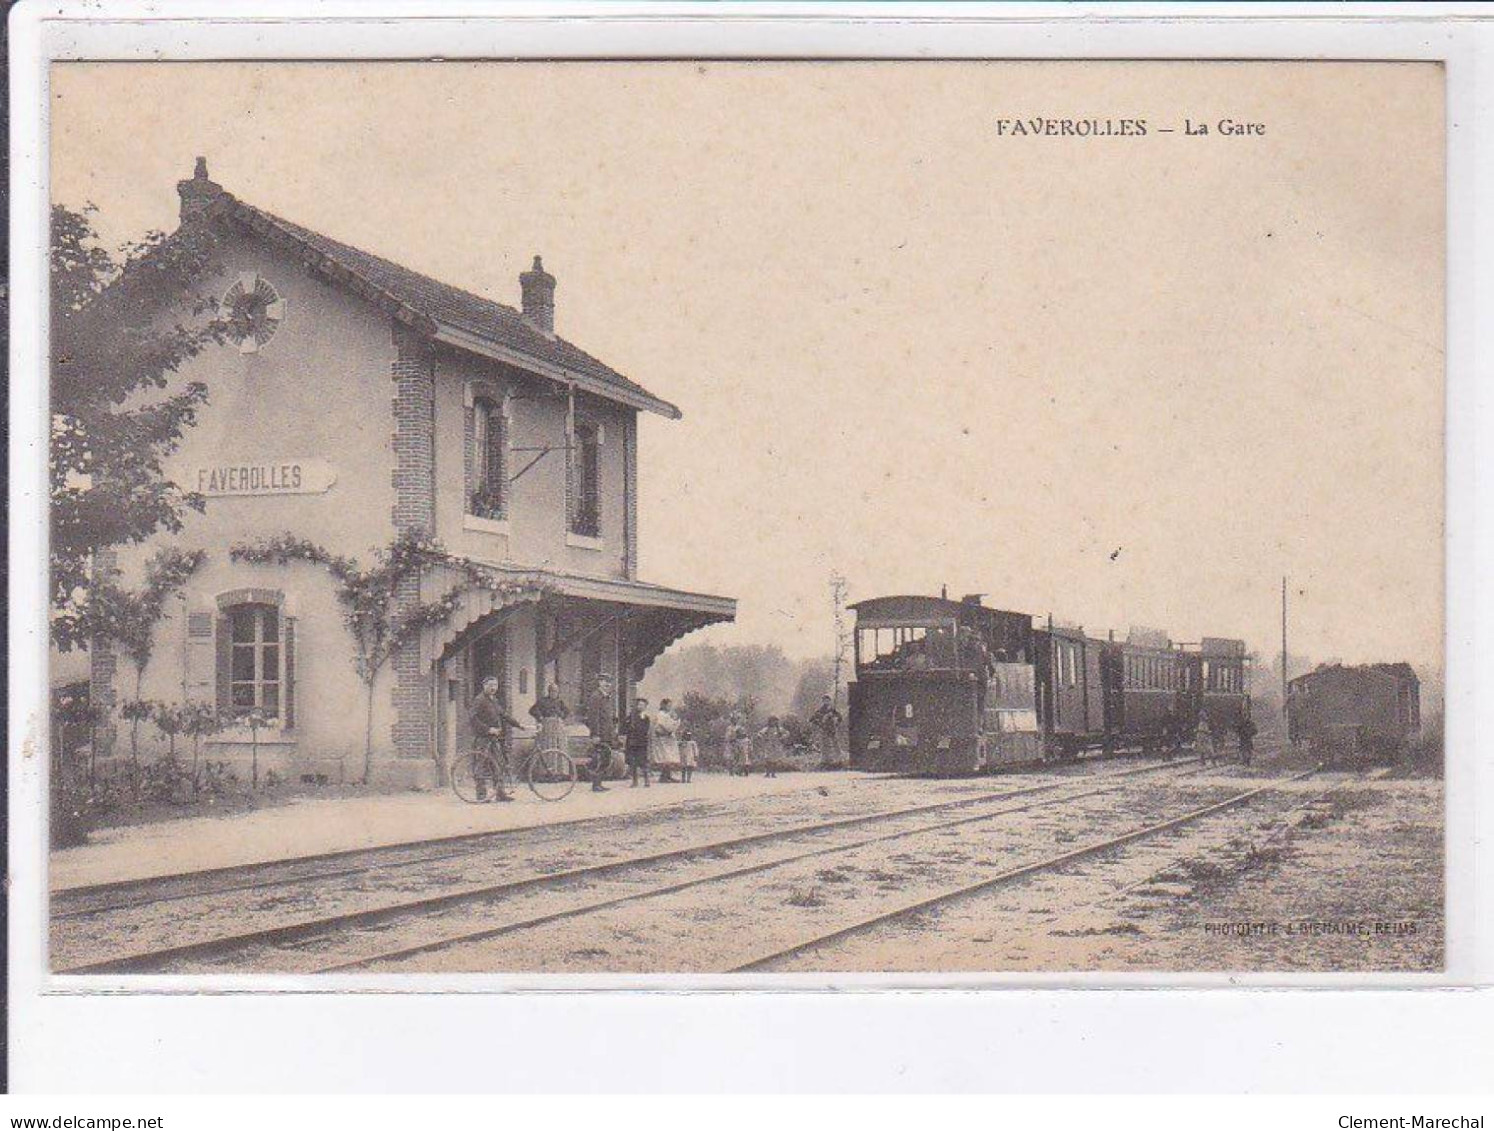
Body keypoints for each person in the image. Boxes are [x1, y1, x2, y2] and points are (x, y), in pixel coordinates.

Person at [468, 676, 522, 802]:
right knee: (481, 765)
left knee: (498, 764)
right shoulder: (479, 700)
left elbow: (504, 715)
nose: (493, 688)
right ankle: (481, 795)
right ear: (484, 686)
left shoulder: (494, 700)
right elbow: (472, 718)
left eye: (495, 685)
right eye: (490, 685)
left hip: (493, 739)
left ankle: (500, 793)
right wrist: (488, 729)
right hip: (482, 738)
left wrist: (519, 725)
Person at [581, 674, 616, 793]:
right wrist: (595, 734)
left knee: (605, 758)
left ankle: (599, 783)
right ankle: (595, 784)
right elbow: (593, 717)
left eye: (609, 682)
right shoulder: (596, 697)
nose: (607, 684)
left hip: (606, 733)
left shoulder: (606, 697)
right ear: (599, 682)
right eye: (604, 681)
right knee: (598, 758)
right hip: (599, 734)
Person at [529, 682, 571, 769]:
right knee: (546, 747)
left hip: (557, 729)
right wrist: (540, 717)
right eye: (552, 691)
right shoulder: (542, 701)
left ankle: (558, 771)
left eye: (556, 691)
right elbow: (532, 710)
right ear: (549, 691)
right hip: (546, 728)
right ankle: (544, 771)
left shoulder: (560, 702)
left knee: (558, 747)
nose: (554, 693)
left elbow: (567, 711)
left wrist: (561, 716)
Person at [624, 697, 653, 787]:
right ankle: (634, 781)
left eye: (642, 705)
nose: (640, 707)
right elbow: (626, 727)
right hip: (632, 742)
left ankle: (646, 780)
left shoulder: (646, 717)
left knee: (643, 761)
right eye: (639, 705)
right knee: (633, 762)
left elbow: (645, 730)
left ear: (645, 707)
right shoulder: (631, 716)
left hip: (641, 742)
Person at [652, 698, 682, 783]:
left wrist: (675, 721)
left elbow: (671, 724)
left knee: (670, 757)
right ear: (664, 705)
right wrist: (672, 725)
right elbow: (664, 725)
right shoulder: (661, 715)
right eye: (668, 705)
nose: (670, 707)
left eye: (670, 705)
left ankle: (668, 775)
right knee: (665, 757)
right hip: (662, 738)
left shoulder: (667, 715)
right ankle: (663, 777)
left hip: (668, 738)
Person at [809, 695, 843, 764]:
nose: (826, 702)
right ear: (823, 701)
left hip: (832, 729)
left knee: (835, 744)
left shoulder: (832, 710)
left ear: (830, 701)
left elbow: (840, 717)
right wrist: (821, 723)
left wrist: (836, 721)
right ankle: (825, 760)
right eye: (825, 701)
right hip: (824, 730)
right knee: (824, 745)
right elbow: (811, 719)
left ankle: (838, 759)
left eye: (828, 700)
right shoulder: (820, 711)